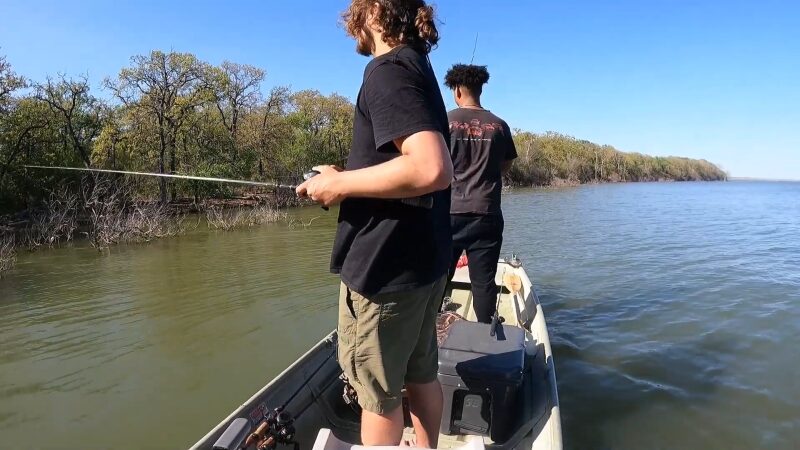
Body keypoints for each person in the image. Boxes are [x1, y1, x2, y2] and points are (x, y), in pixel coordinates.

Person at [295, 1, 452, 447]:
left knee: (377, 397)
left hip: (385, 270)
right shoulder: (417, 67)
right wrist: (339, 176)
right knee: (421, 375)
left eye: (354, 15)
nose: (351, 29)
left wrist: (341, 184)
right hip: (423, 266)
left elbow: (430, 168)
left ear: (375, 12)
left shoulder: (387, 70)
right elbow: (396, 161)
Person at [443, 64, 517, 324]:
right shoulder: (500, 126)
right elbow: (505, 165)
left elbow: (434, 164)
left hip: (448, 214)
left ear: (457, 91)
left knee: (440, 277)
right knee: (483, 282)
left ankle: (426, 336)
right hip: (487, 214)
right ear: (479, 89)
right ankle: (487, 336)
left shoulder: (445, 121)